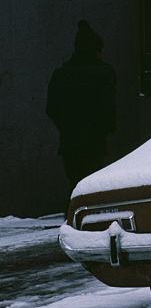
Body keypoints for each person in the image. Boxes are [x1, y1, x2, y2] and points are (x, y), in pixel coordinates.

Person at [46, 20, 116, 191]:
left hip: (70, 140)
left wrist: (66, 126)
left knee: (75, 183)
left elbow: (52, 108)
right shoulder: (104, 73)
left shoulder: (61, 74)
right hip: (95, 140)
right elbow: (109, 107)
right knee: (92, 185)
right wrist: (105, 128)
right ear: (97, 49)